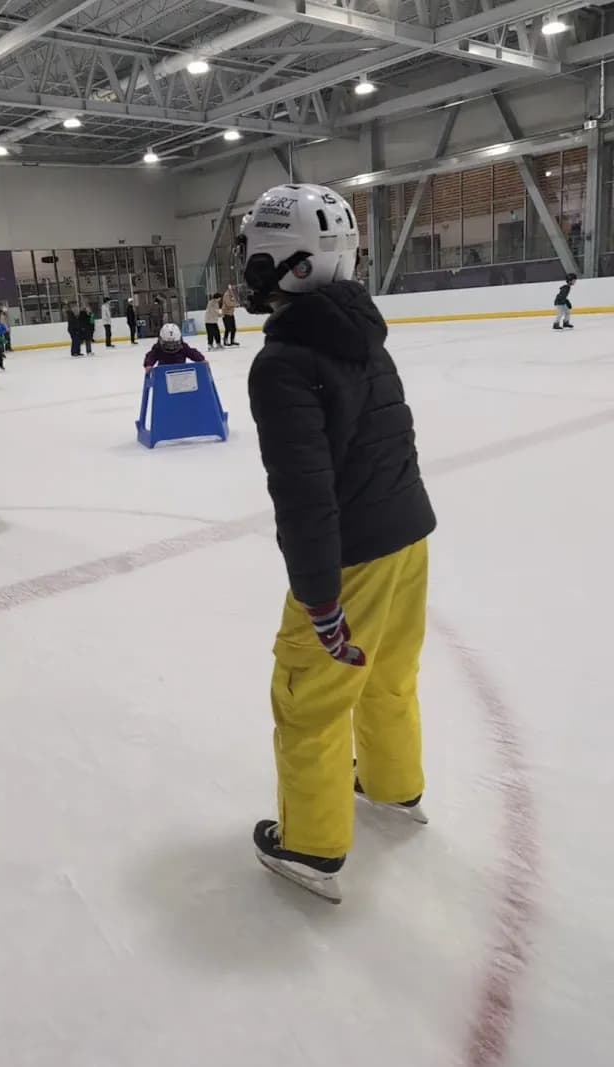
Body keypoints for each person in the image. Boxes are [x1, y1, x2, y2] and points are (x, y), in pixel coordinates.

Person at [238, 183, 436, 903]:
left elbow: (304, 493)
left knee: (310, 699)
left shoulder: (286, 361)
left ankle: (312, 846)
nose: (247, 268)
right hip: (407, 538)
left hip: (351, 556)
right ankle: (393, 785)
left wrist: (319, 598)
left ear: (288, 264)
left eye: (255, 254)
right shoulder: (362, 334)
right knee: (387, 676)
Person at [221, 282, 240, 347]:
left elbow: (234, 300)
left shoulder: (231, 293)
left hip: (231, 314)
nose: (234, 287)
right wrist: (235, 304)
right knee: (228, 328)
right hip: (226, 314)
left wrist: (235, 303)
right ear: (229, 287)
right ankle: (225, 341)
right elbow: (228, 303)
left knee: (233, 328)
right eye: (233, 286)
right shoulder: (226, 294)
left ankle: (232, 341)